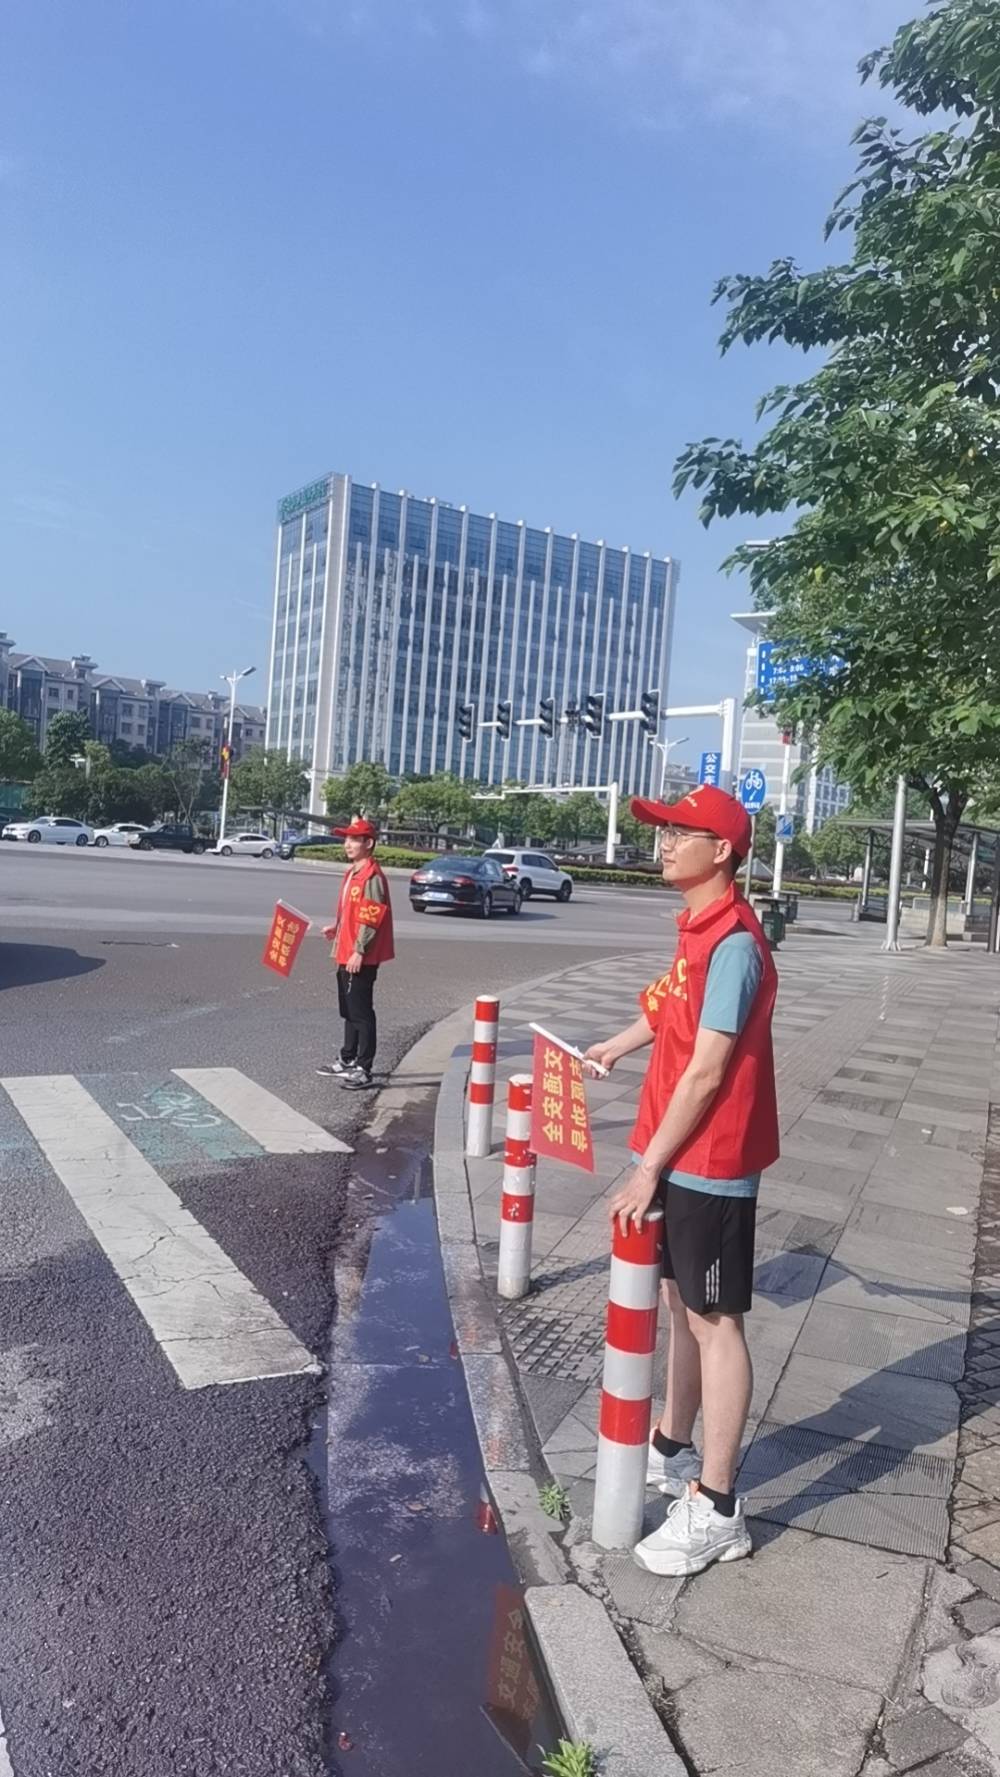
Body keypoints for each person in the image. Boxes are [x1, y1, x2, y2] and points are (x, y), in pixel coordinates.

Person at [585, 783, 778, 1577]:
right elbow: (669, 1012)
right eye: (662, 830)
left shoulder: (733, 942)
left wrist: (647, 1167)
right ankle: (673, 1443)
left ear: (722, 849)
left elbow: (707, 1070)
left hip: (709, 1157)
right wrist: (617, 1044)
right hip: (678, 1148)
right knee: (680, 1305)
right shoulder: (697, 928)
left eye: (680, 832)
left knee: (714, 1320)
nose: (663, 843)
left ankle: (720, 1506)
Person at [318, 817, 395, 1089]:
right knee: (349, 1010)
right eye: (346, 839)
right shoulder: (353, 873)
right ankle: (347, 1058)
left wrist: (359, 951)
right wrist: (337, 928)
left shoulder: (371, 876)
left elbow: (371, 917)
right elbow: (351, 912)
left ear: (368, 843)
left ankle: (364, 1068)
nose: (347, 844)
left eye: (354, 839)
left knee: (361, 1012)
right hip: (346, 950)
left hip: (359, 956)